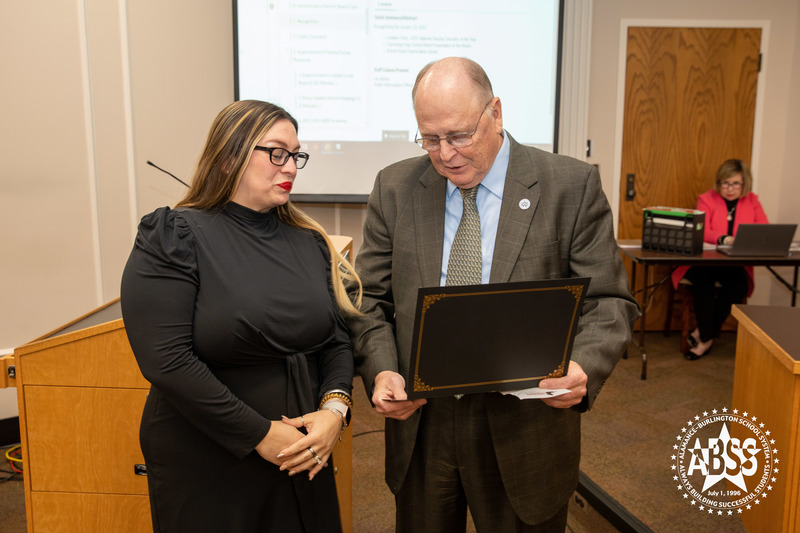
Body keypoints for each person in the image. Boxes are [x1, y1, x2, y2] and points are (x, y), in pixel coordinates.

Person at [346, 57, 639, 532]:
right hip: (423, 422)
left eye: (459, 135)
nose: (444, 154)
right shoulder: (396, 186)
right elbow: (369, 299)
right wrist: (381, 371)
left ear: (496, 113)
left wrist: (583, 365)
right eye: (429, 138)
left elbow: (610, 302)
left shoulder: (568, 186)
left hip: (526, 422)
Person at [120, 100, 362, 533]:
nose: (289, 166)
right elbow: (166, 360)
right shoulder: (174, 236)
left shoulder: (307, 241)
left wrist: (334, 411)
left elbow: (335, 340)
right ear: (230, 154)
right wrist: (260, 435)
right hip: (210, 454)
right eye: (276, 153)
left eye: (296, 155)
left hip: (302, 455)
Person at [671, 159, 768, 360]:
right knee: (703, 283)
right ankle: (707, 339)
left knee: (740, 284)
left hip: (733, 263)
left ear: (744, 184)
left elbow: (763, 229)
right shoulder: (707, 199)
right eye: (725, 183)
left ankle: (703, 333)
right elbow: (701, 228)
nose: (730, 188)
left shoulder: (752, 201)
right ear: (719, 183)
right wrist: (723, 238)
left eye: (735, 184)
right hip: (703, 261)